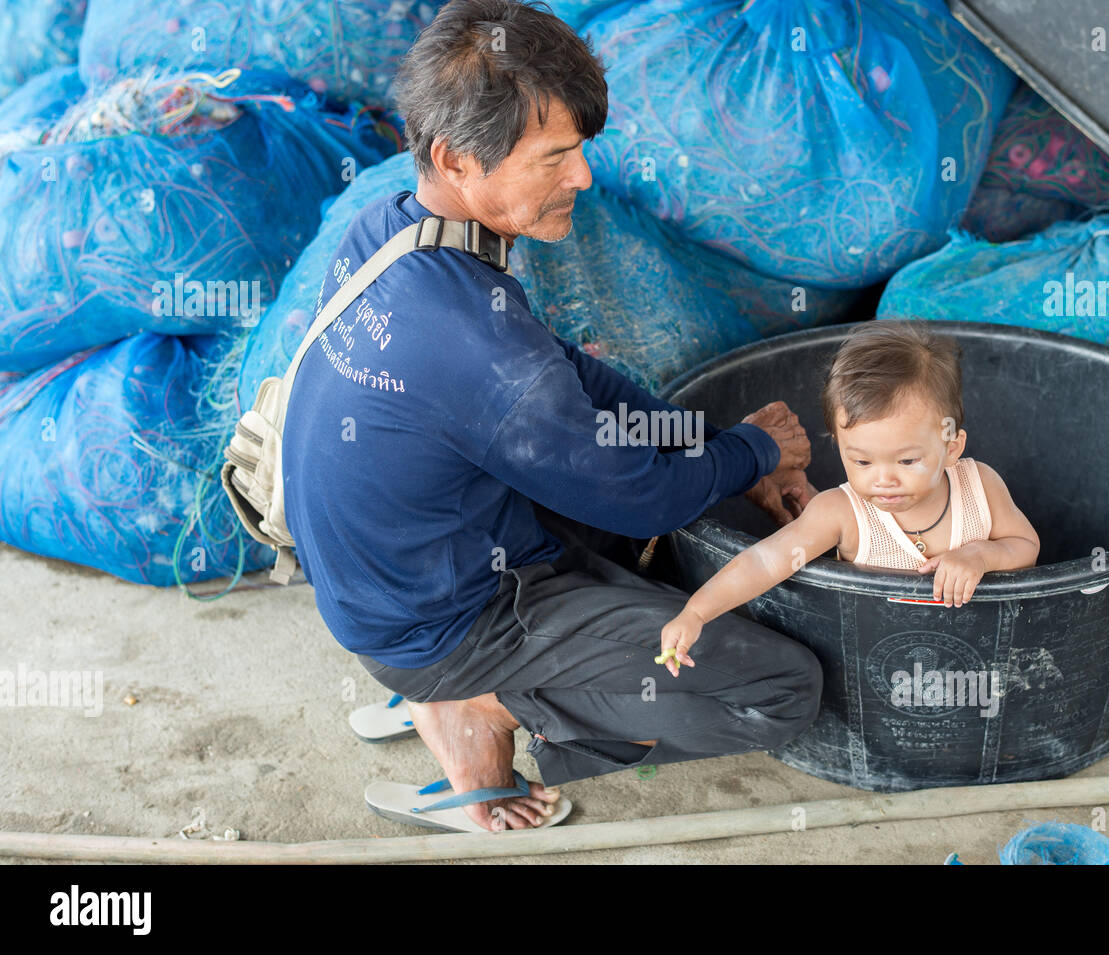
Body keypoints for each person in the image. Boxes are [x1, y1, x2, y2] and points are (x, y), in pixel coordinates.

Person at [280, 0, 823, 833]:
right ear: (456, 158)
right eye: (557, 156)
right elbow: (640, 493)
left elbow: (575, 382)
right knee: (785, 688)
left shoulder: (390, 229)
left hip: (382, 584)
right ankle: (487, 703)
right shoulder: (478, 349)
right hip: (442, 622)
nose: (584, 179)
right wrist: (751, 452)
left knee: (637, 517)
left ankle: (450, 684)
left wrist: (709, 442)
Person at [658, 320, 1041, 677]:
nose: (884, 479)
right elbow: (764, 560)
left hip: (976, 662)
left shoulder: (980, 486)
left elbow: (1026, 546)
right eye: (861, 460)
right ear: (839, 446)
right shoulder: (840, 512)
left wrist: (982, 554)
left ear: (952, 447)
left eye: (908, 460)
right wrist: (696, 612)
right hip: (871, 662)